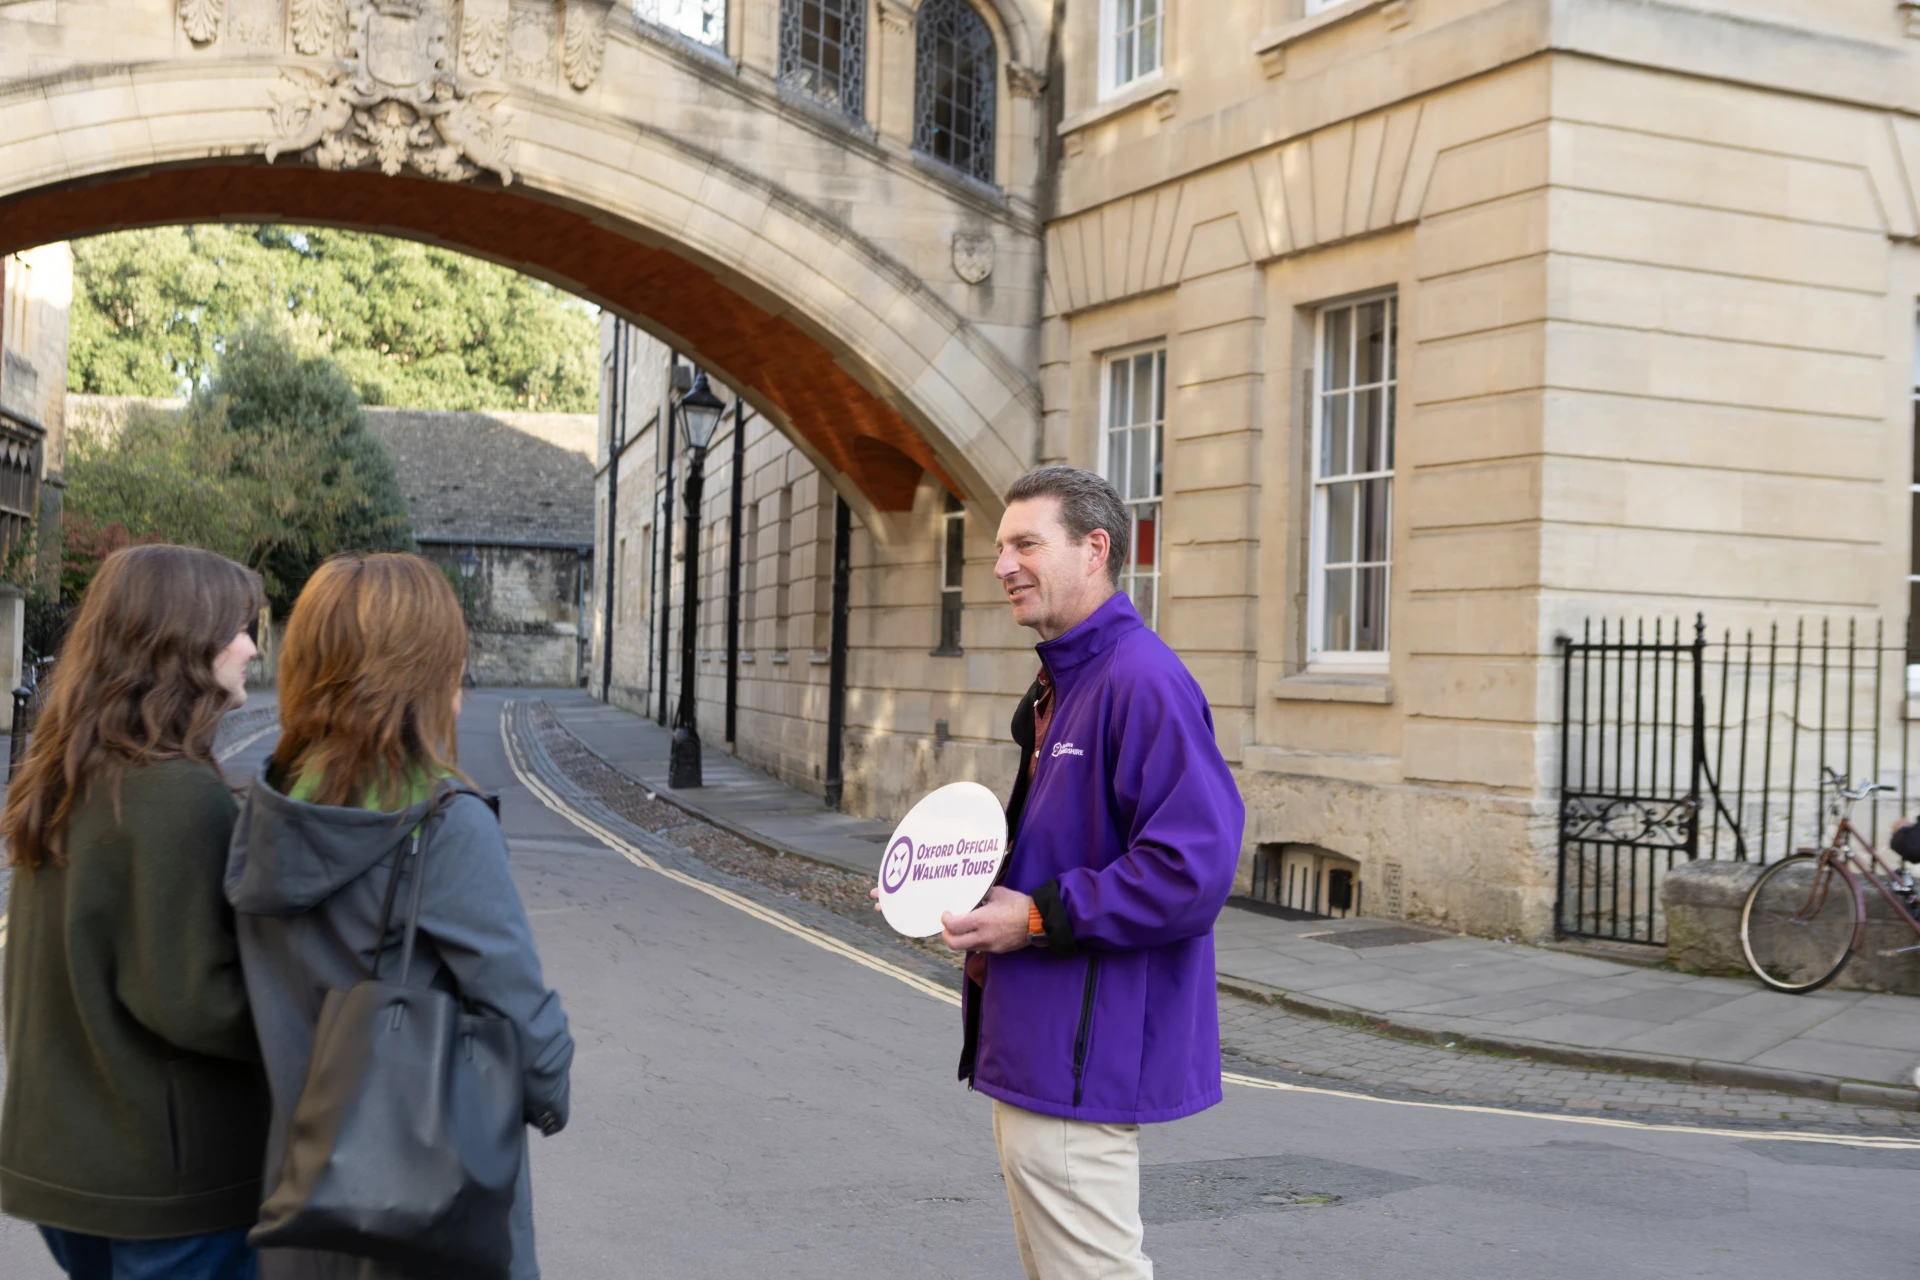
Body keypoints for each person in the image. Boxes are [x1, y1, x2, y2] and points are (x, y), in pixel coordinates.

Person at [224, 553, 574, 1280]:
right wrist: (550, 1090)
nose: (461, 686)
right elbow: (530, 1038)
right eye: (453, 663)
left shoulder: (263, 811)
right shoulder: (444, 827)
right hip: (426, 1220)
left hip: (301, 1203)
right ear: (418, 676)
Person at [947, 467, 1244, 1278]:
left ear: (1095, 550)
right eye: (1001, 546)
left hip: (1082, 1065)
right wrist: (957, 894)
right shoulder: (1065, 680)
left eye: (1026, 543)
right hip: (1038, 1052)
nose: (1003, 564)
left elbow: (1192, 869)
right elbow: (1063, 849)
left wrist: (1035, 917)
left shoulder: (1140, 678)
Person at [0, 544, 270, 1280]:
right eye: (235, 628)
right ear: (179, 640)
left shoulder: (65, 772)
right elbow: (195, 1000)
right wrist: (321, 1009)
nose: (250, 646)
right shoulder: (176, 793)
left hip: (64, 1160)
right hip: (165, 1180)